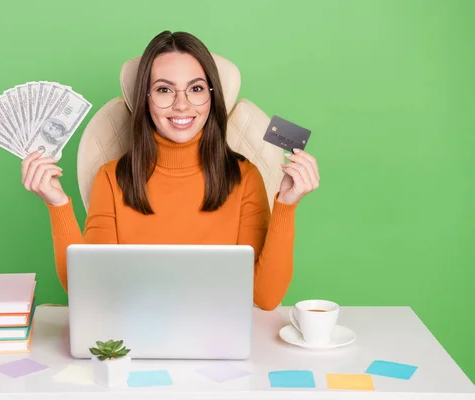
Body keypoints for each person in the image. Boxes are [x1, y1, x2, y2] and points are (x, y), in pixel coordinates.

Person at [20, 30, 320, 311]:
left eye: (196, 88)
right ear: (145, 100)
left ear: (212, 97)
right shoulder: (111, 178)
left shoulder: (245, 177)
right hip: (134, 337)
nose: (182, 104)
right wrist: (57, 204)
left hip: (217, 338)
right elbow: (91, 294)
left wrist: (287, 205)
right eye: (164, 89)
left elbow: (265, 298)